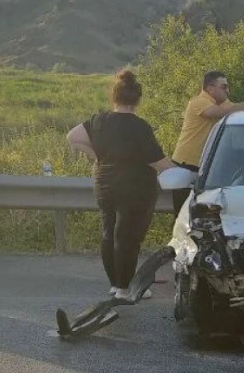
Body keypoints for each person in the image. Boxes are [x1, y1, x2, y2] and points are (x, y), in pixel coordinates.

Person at [67, 70, 175, 302]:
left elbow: (72, 137)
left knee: (109, 233)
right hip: (135, 187)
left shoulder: (99, 120)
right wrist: (181, 171)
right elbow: (157, 161)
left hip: (105, 183)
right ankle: (126, 289)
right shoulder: (140, 126)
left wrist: (98, 155)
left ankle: (116, 285)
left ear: (113, 97)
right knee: (128, 237)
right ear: (138, 99)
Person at [169, 70, 244, 214]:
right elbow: (217, 113)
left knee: (203, 215)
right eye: (223, 87)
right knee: (183, 214)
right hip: (186, 166)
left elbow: (236, 111)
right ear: (210, 89)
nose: (228, 90)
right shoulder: (198, 102)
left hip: (203, 167)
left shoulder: (224, 104)